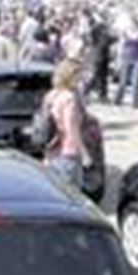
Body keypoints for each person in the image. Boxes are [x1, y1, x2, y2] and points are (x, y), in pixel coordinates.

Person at [41, 59, 93, 188]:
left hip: (52, 151)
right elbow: (72, 129)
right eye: (79, 76)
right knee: (72, 193)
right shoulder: (69, 98)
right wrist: (85, 154)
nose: (81, 80)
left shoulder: (50, 96)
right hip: (68, 153)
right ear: (72, 76)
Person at [113, 14, 138, 108]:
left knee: (136, 82)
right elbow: (120, 46)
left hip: (137, 58)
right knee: (123, 81)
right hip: (126, 57)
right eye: (131, 23)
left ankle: (135, 104)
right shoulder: (124, 32)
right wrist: (117, 60)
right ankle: (117, 100)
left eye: (133, 23)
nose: (132, 25)